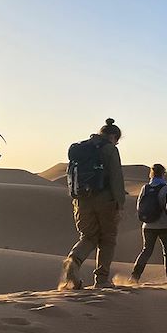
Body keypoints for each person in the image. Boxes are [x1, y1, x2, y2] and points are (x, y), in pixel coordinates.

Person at [60, 119, 126, 289]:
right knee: (107, 239)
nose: (116, 142)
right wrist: (120, 203)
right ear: (113, 136)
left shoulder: (81, 148)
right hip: (105, 200)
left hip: (81, 200)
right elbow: (116, 178)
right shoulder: (110, 149)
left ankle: (73, 261)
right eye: (116, 139)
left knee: (88, 236)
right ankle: (102, 279)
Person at [129, 164, 167, 283]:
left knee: (146, 251)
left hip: (147, 226)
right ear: (163, 174)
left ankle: (134, 276)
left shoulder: (145, 188)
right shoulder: (165, 188)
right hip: (164, 225)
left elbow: (139, 206)